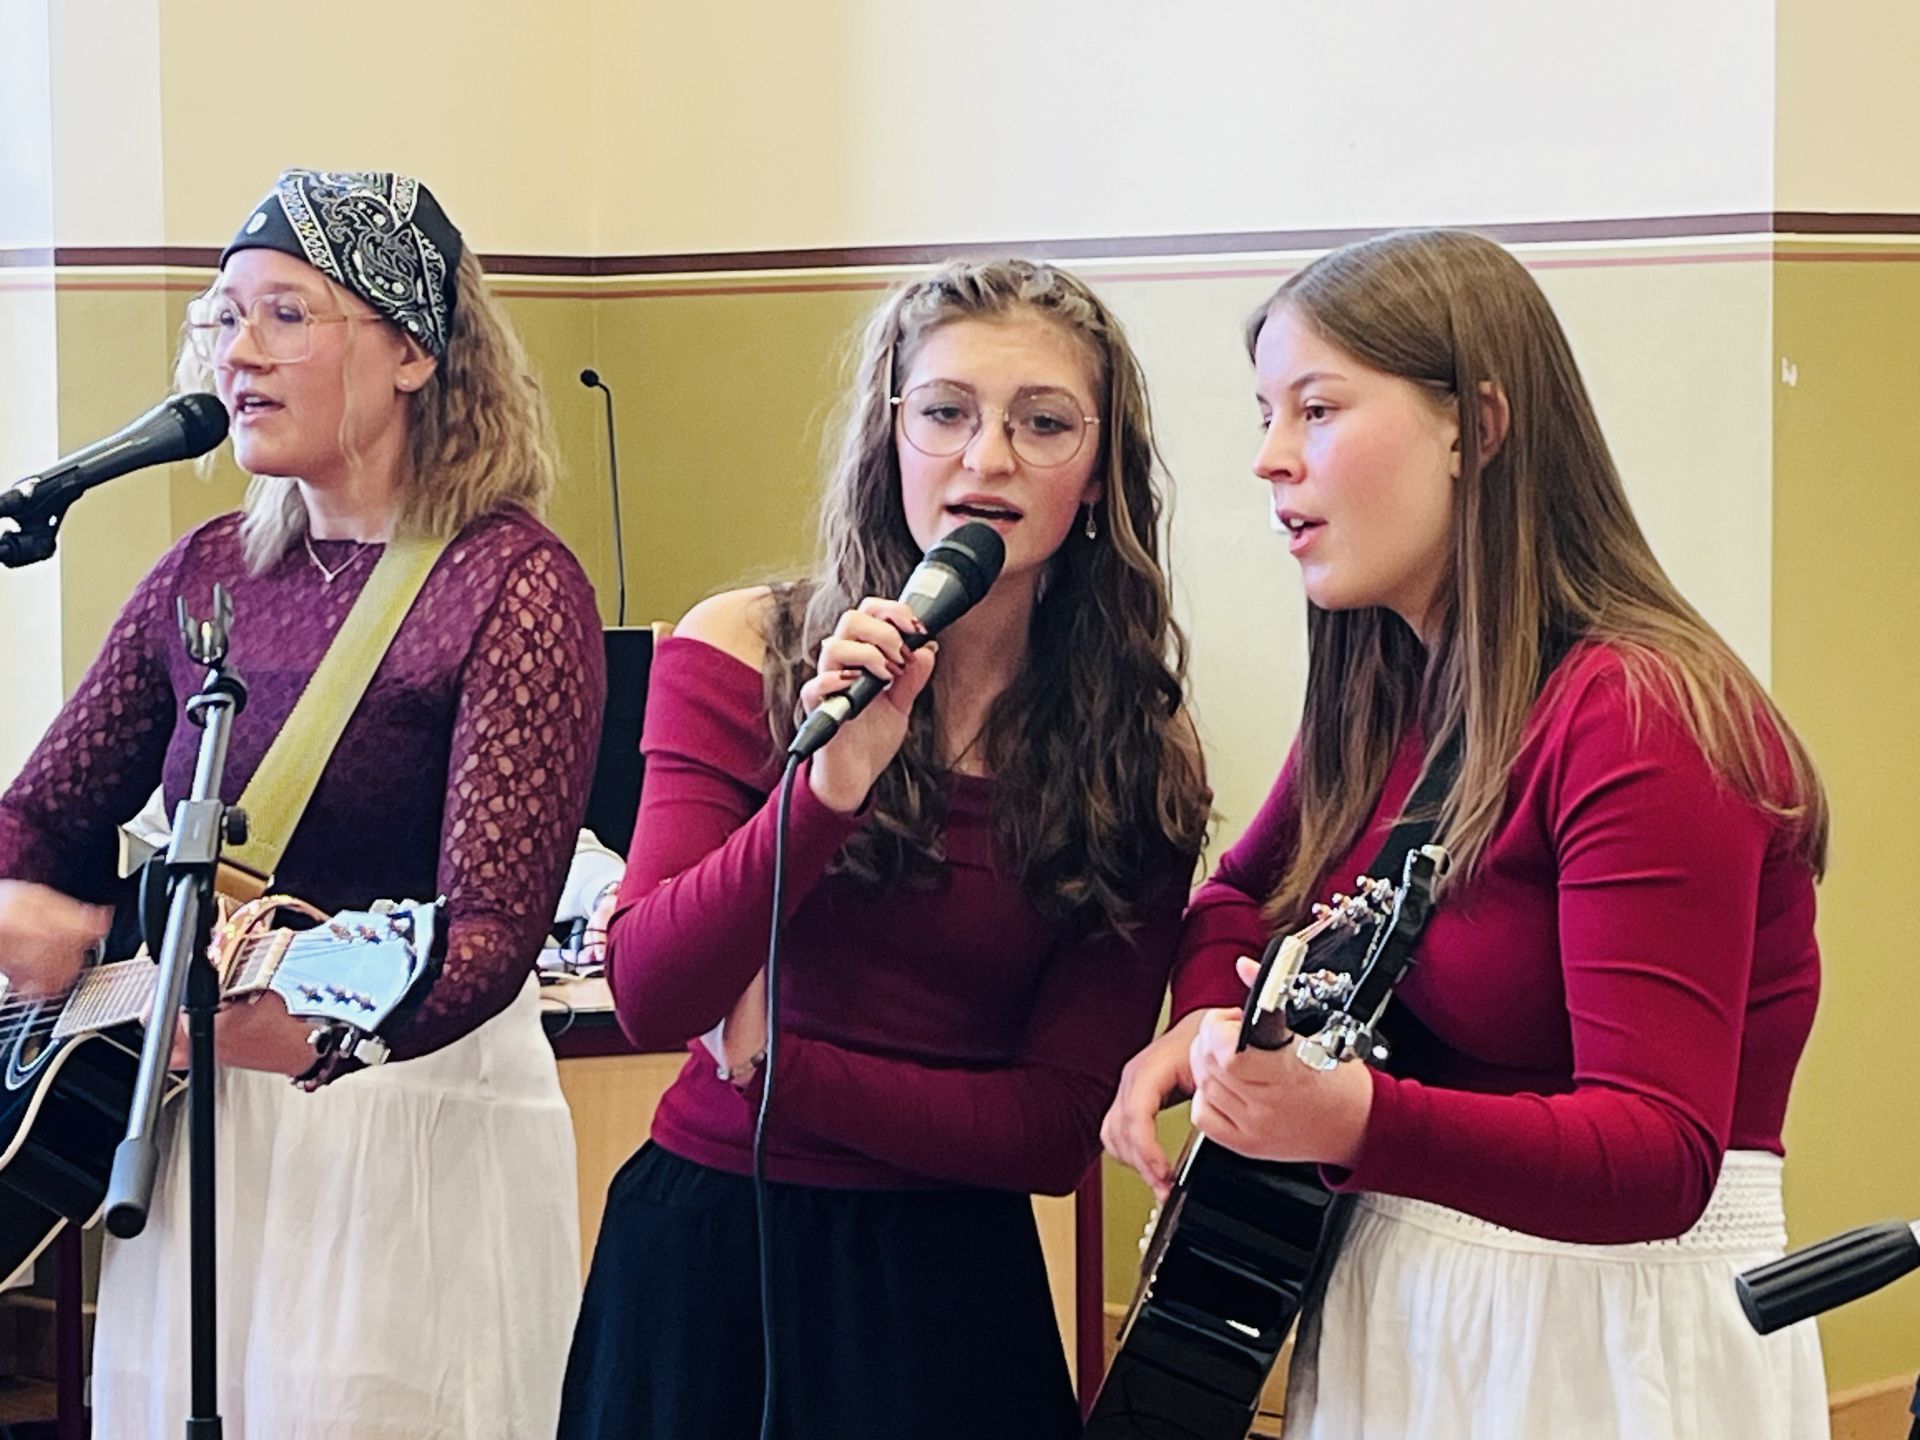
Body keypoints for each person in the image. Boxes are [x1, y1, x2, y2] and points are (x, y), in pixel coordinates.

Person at [1101, 228, 1830, 1440]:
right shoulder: (1390, 686)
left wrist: (1356, 1121)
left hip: (1602, 1339)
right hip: (1415, 1303)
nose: (1269, 457)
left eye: (1317, 409)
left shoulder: (1641, 717)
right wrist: (1207, 1021)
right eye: (1266, 415)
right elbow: (1237, 900)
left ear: (1476, 428)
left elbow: (1659, 1153)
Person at [558, 257, 1211, 1439]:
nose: (986, 458)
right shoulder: (743, 647)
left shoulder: (1136, 748)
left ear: (1099, 472)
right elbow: (655, 992)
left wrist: (775, 1068)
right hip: (707, 1265)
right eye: (946, 412)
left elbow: (1053, 1129)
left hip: (949, 1295)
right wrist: (827, 790)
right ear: (890, 438)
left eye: (1043, 423)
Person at [0, 168, 605, 1439]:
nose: (237, 353)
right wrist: (25, 907)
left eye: (285, 314)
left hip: (401, 1123)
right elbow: (39, 817)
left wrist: (281, 1032)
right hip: (195, 1129)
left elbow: (490, 935)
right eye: (225, 317)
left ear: (412, 350)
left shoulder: (515, 585)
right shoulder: (207, 572)